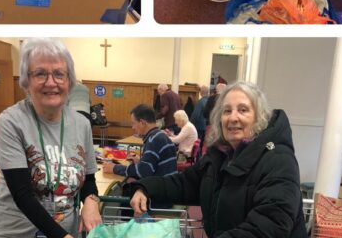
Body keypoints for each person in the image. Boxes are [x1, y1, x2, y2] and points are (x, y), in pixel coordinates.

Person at [130, 81, 307, 237]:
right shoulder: (220, 155)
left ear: (258, 117)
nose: (233, 117)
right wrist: (146, 188)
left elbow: (270, 224)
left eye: (243, 110)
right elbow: (186, 183)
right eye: (227, 111)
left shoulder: (279, 160)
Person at [0, 38, 102, 238]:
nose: (51, 82)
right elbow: (23, 195)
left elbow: (89, 178)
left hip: (65, 231)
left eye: (59, 74)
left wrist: (91, 201)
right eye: (40, 74)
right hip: (15, 233)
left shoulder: (81, 124)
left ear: (69, 80)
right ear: (26, 81)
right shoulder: (12, 121)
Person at [102, 105, 177, 179]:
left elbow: (143, 172)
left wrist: (115, 168)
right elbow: (152, 166)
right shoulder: (159, 135)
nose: (132, 127)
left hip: (162, 188)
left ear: (142, 122)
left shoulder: (153, 140)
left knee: (127, 184)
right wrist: (141, 161)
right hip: (168, 183)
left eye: (133, 123)